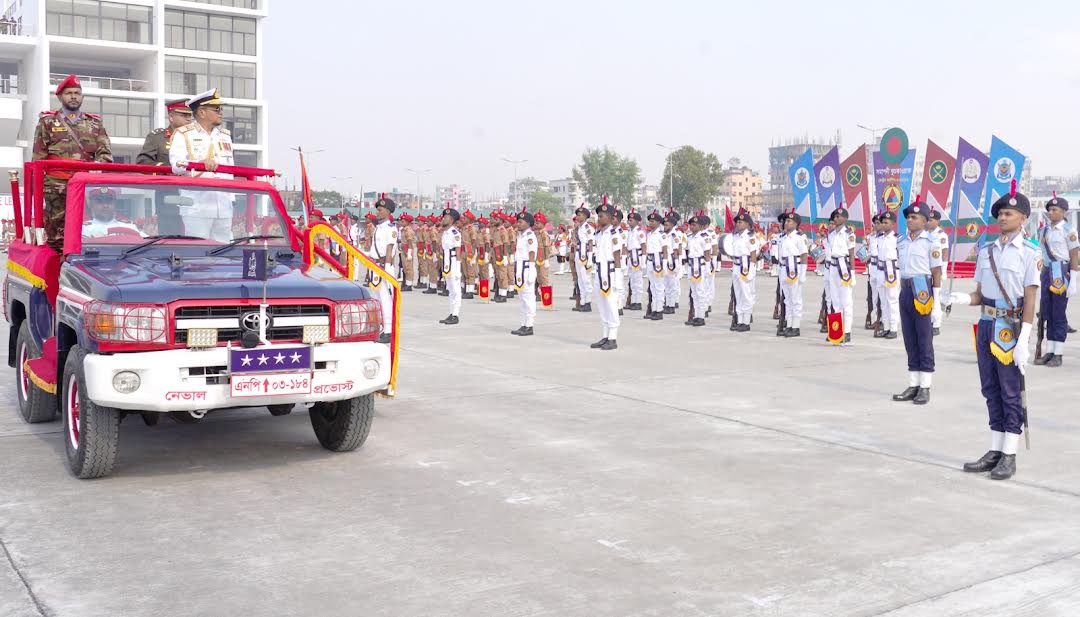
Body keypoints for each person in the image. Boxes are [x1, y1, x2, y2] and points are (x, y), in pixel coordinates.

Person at [948, 185, 1041, 481]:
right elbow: (980, 294)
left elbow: (1029, 300)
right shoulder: (987, 250)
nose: (1002, 217)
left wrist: (1024, 339)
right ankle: (994, 449)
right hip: (986, 324)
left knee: (1010, 392)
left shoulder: (1029, 253)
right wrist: (963, 299)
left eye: (1008, 213)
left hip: (1010, 328)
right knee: (990, 389)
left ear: (1022, 218)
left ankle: (1009, 454)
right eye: (1000, 213)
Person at [32, 74, 113, 251]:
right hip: (56, 185)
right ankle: (58, 269)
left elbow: (105, 153)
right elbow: (38, 157)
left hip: (85, 184)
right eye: (69, 93)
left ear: (82, 97)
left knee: (84, 226)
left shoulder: (94, 123)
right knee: (56, 231)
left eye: (77, 93)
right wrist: (37, 188)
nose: (74, 96)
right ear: (61, 96)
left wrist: (97, 172)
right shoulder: (48, 121)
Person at [890, 198, 943, 406]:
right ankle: (913, 384)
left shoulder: (931, 242)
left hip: (923, 290)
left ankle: (925, 386)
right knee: (909, 338)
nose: (910, 221)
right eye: (908, 218)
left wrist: (936, 302)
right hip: (905, 289)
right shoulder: (901, 241)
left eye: (914, 217)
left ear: (924, 220)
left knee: (924, 338)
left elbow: (936, 271)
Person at [168, 88, 236, 241]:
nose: (221, 112)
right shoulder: (183, 134)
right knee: (198, 253)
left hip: (224, 205)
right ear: (202, 112)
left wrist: (232, 199)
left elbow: (230, 168)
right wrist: (199, 164)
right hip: (197, 206)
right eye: (217, 109)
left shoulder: (225, 136)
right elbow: (176, 165)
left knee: (224, 252)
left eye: (221, 109)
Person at [1033, 194, 1079, 366]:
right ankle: (1049, 351)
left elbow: (1074, 255)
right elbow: (1040, 250)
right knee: (1047, 313)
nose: (1051, 212)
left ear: (1063, 212)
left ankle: (1058, 353)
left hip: (1061, 272)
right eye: (1049, 210)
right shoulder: (1044, 230)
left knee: (1058, 314)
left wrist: (1073, 279)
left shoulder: (1069, 231)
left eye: (1055, 210)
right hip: (1047, 272)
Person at [590, 200, 622, 350]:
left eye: (602, 216)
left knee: (611, 303)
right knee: (601, 303)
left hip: (610, 271)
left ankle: (613, 337)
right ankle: (605, 335)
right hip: (599, 270)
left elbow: (617, 255)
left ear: (610, 218)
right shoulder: (598, 233)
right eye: (598, 216)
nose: (599, 218)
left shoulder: (614, 233)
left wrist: (617, 275)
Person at [824, 207, 857, 344]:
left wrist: (853, 273)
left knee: (846, 301)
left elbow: (851, 254)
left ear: (845, 219)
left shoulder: (849, 234)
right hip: (832, 267)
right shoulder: (831, 234)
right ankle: (836, 331)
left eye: (838, 217)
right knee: (834, 301)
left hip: (844, 267)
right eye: (835, 217)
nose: (836, 219)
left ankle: (847, 331)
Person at [368, 197, 398, 343]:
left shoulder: (390, 228)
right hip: (375, 266)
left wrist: (386, 268)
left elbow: (389, 248)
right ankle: (381, 328)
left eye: (380, 210)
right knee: (378, 298)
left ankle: (388, 330)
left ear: (387, 211)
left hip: (384, 266)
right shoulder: (379, 227)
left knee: (386, 299)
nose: (377, 213)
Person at [777, 211, 808, 337]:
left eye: (789, 221)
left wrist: (803, 274)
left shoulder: (800, 237)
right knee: (787, 299)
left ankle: (795, 326)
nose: (786, 223)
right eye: (786, 221)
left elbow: (804, 255)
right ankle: (789, 324)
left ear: (795, 224)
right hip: (784, 268)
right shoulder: (783, 237)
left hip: (795, 268)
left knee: (796, 299)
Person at [137, 98, 193, 166]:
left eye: (190, 115)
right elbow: (143, 161)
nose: (188, 119)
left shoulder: (196, 137)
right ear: (171, 117)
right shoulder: (157, 137)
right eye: (184, 115)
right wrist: (164, 168)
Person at [728, 210, 759, 331]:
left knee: (747, 295)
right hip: (736, 266)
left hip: (746, 267)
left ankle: (746, 322)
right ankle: (740, 320)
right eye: (737, 222)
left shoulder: (750, 236)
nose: (738, 224)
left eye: (741, 222)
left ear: (747, 224)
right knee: (739, 295)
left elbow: (753, 254)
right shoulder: (735, 236)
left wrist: (751, 270)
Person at [875, 212, 901, 340]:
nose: (883, 225)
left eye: (886, 223)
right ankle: (885, 327)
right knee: (883, 301)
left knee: (892, 299)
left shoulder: (897, 238)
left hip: (892, 271)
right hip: (880, 270)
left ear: (893, 224)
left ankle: (894, 328)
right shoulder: (879, 238)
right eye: (882, 222)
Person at [511, 212, 538, 336]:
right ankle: (523, 324)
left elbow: (532, 253)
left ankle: (529, 325)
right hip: (520, 268)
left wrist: (532, 269)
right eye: (517, 221)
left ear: (528, 223)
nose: (518, 224)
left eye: (521, 222)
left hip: (527, 268)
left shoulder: (530, 236)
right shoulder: (520, 236)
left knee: (528, 298)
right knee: (522, 298)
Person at [926, 209, 950, 335]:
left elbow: (945, 253)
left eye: (931, 220)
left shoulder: (942, 235)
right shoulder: (925, 233)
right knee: (926, 296)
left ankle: (936, 323)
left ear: (937, 221)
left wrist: (944, 271)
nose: (928, 222)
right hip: (926, 269)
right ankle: (928, 321)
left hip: (937, 270)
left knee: (936, 297)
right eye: (927, 220)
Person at [438, 207, 463, 325]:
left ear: (452, 220)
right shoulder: (445, 232)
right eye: (443, 217)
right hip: (446, 262)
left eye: (446, 217)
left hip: (453, 262)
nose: (443, 219)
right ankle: (451, 312)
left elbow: (458, 251)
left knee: (456, 289)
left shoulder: (455, 233)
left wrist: (458, 268)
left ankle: (456, 314)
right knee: (450, 289)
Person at [644, 210, 669, 320]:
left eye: (653, 221)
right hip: (650, 260)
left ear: (659, 222)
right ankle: (654, 309)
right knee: (652, 287)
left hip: (658, 261)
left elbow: (665, 250)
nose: (650, 223)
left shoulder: (662, 234)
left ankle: (659, 310)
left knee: (659, 287)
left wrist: (664, 264)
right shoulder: (649, 234)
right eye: (649, 221)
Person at [685, 214, 709, 327]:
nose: (692, 227)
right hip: (691, 265)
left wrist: (708, 268)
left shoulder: (704, 236)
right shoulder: (689, 237)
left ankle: (701, 316)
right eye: (691, 225)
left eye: (694, 225)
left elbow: (707, 253)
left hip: (700, 265)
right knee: (694, 293)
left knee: (700, 292)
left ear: (700, 226)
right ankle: (696, 315)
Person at [572, 204, 595, 312]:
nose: (578, 216)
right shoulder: (578, 228)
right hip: (578, 253)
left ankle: (588, 302)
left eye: (580, 215)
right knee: (580, 279)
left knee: (586, 279)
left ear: (586, 216)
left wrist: (590, 258)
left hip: (585, 254)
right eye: (577, 215)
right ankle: (582, 302)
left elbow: (591, 243)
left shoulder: (588, 228)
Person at [624, 210, 646, 311]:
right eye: (629, 220)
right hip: (630, 256)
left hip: (637, 256)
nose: (629, 221)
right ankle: (633, 301)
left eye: (631, 220)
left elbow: (643, 246)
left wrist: (643, 259)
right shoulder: (629, 231)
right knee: (632, 280)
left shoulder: (639, 232)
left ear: (637, 221)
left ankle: (638, 302)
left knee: (638, 281)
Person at [661, 212, 682, 313]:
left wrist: (677, 264)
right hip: (665, 258)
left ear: (672, 225)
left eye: (667, 225)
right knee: (666, 284)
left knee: (672, 284)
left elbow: (676, 250)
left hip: (672, 260)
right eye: (664, 224)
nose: (665, 226)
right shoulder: (665, 234)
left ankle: (672, 305)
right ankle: (668, 303)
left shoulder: (675, 235)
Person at [532, 211, 552, 305]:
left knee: (544, 277)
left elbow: (546, 247)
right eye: (535, 222)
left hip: (543, 258)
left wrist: (547, 259)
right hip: (537, 258)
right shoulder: (536, 233)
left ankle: (547, 298)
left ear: (543, 224)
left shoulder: (544, 233)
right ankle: (540, 294)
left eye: (538, 222)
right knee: (539, 278)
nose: (536, 224)